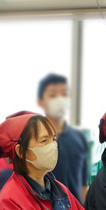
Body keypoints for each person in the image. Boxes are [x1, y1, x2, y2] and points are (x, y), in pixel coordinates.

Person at [37, 74, 90, 202]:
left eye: (64, 94)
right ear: (41, 101)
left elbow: (83, 185)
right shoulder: (35, 138)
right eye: (53, 95)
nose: (60, 99)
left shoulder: (79, 138)